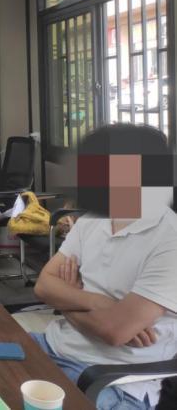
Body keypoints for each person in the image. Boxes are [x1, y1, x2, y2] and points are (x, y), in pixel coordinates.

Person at [33, 124, 177, 410]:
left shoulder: (169, 239)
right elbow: (43, 285)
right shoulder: (93, 219)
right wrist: (98, 302)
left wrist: (66, 302)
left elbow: (114, 331)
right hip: (51, 345)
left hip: (113, 381)